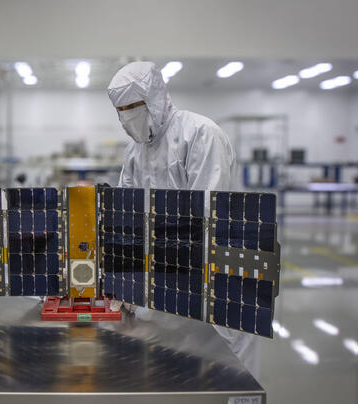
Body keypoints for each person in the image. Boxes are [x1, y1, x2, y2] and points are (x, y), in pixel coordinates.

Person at [106, 61, 260, 377]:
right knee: (182, 375)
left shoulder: (200, 135)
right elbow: (129, 215)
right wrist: (124, 274)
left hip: (217, 278)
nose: (125, 118)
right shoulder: (135, 150)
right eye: (120, 110)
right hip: (171, 281)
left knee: (228, 372)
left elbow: (205, 219)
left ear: (153, 99)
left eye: (131, 107)